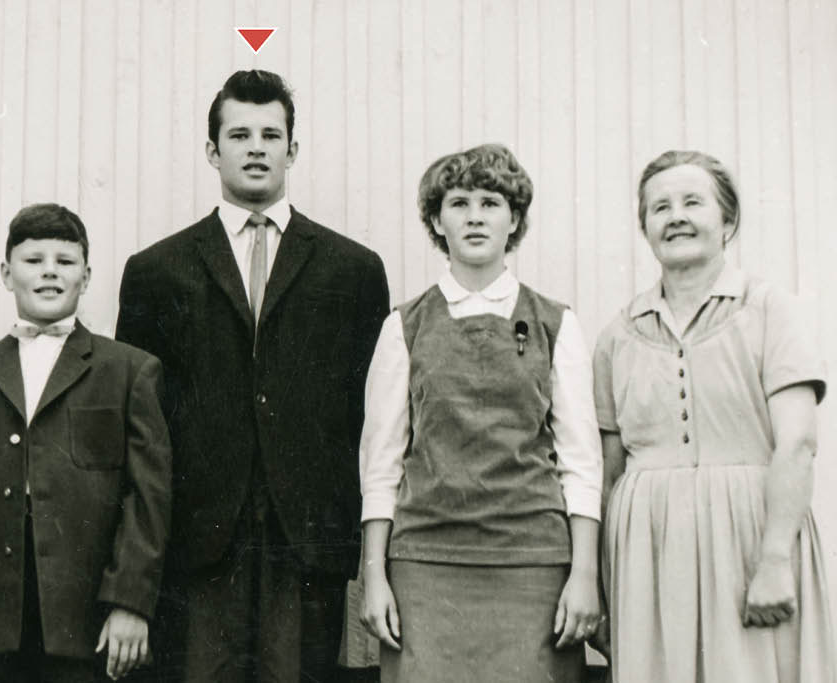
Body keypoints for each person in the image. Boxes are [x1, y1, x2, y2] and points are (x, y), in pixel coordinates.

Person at [115, 69, 390, 682]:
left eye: (272, 134)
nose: (257, 147)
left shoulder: (354, 270)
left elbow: (369, 418)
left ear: (293, 150)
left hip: (310, 537)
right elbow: (139, 428)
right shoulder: (156, 271)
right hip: (199, 536)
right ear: (213, 151)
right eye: (239, 135)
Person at [359, 144, 603, 682]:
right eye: (459, 202)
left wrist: (583, 573)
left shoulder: (554, 325)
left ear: (513, 219)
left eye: (491, 202)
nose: (474, 215)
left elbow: (582, 464)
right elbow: (381, 465)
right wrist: (374, 576)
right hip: (427, 565)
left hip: (534, 564)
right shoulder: (405, 327)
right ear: (436, 221)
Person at [593, 150, 836, 681]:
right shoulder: (617, 335)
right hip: (648, 552)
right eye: (660, 207)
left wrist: (774, 560)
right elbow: (609, 474)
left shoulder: (770, 309)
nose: (675, 215)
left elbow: (797, 444)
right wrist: (604, 586)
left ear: (728, 222)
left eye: (692, 202)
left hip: (751, 536)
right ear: (646, 228)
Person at [0, 203, 172, 683]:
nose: (50, 272)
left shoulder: (129, 371)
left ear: (87, 275)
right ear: (6, 273)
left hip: (88, 619)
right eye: (34, 260)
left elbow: (148, 500)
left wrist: (130, 603)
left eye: (65, 261)